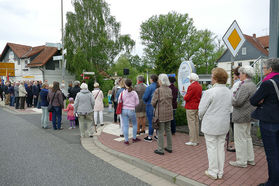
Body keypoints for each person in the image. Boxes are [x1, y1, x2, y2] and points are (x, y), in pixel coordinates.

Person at [199, 67, 232, 180]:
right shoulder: (229, 92)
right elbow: (230, 109)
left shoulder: (209, 92)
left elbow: (202, 109)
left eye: (212, 76)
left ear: (215, 78)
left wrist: (200, 117)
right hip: (223, 123)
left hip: (211, 124)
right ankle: (220, 171)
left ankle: (213, 171)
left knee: (212, 147)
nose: (211, 78)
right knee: (220, 147)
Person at [250, 58, 279, 186]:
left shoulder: (268, 83)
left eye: (264, 68)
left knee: (272, 154)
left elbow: (253, 100)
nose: (263, 70)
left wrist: (262, 100)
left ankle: (273, 182)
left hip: (270, 122)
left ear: (270, 69)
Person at [229, 66, 257, 168]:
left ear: (244, 74)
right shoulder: (253, 85)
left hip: (241, 115)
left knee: (240, 138)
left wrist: (231, 97)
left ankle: (241, 161)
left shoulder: (245, 86)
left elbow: (237, 102)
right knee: (247, 137)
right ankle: (250, 159)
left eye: (240, 73)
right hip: (248, 115)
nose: (239, 75)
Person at [151, 74, 173, 155]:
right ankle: (169, 147)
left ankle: (160, 149)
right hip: (169, 112)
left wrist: (155, 106)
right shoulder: (169, 89)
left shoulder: (158, 90)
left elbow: (153, 102)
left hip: (160, 113)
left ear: (160, 80)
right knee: (168, 130)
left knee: (160, 131)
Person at [184, 73, 202, 146]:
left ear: (191, 79)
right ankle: (196, 139)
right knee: (196, 123)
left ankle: (192, 140)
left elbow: (187, 97)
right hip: (197, 106)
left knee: (191, 124)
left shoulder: (191, 86)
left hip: (190, 106)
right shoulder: (199, 86)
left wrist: (184, 96)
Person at [120, 79, 140, 145]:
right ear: (131, 84)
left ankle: (126, 140)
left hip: (124, 110)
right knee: (134, 124)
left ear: (125, 85)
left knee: (125, 125)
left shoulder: (122, 93)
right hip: (131, 110)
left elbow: (119, 101)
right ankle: (134, 138)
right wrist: (132, 106)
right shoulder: (134, 93)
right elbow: (137, 102)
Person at [227, 66, 241, 152]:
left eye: (233, 74)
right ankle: (236, 145)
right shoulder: (241, 83)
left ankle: (236, 146)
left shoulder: (237, 84)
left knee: (235, 129)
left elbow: (231, 96)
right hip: (237, 110)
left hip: (234, 109)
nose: (233, 76)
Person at [143, 74, 159, 142]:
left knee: (151, 122)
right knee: (158, 121)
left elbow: (145, 97)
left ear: (151, 79)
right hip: (158, 106)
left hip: (150, 105)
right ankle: (157, 136)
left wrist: (146, 102)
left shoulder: (149, 87)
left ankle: (150, 136)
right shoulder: (159, 86)